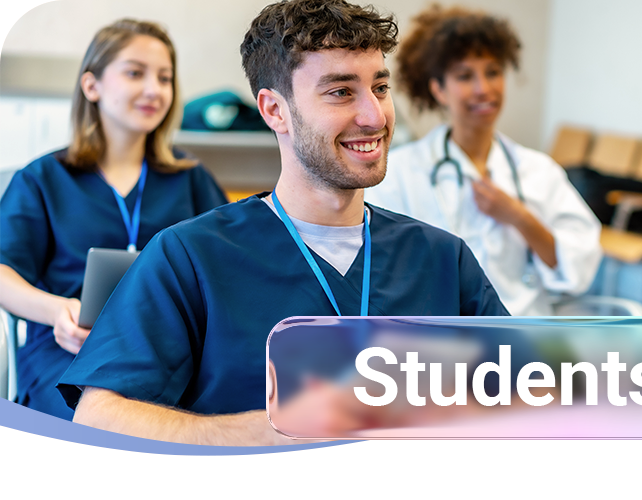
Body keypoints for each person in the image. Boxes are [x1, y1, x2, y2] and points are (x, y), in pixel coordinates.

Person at [57, 0, 509, 445]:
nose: (374, 116)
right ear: (274, 110)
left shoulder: (441, 259)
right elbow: (98, 418)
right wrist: (270, 435)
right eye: (340, 92)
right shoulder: (192, 258)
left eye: (380, 88)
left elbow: (531, 400)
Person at [0, 19, 228, 420]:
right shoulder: (42, 180)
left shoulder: (191, 178)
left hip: (171, 351)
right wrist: (56, 311)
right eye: (135, 73)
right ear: (92, 86)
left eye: (165, 78)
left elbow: (228, 267)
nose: (154, 90)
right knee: (104, 421)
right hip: (71, 351)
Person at [365, 5, 602, 316]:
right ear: (438, 89)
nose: (484, 88)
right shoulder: (400, 173)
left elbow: (579, 268)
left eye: (493, 72)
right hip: (439, 336)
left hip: (523, 334)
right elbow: (380, 268)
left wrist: (520, 217)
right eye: (465, 76)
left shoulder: (538, 171)